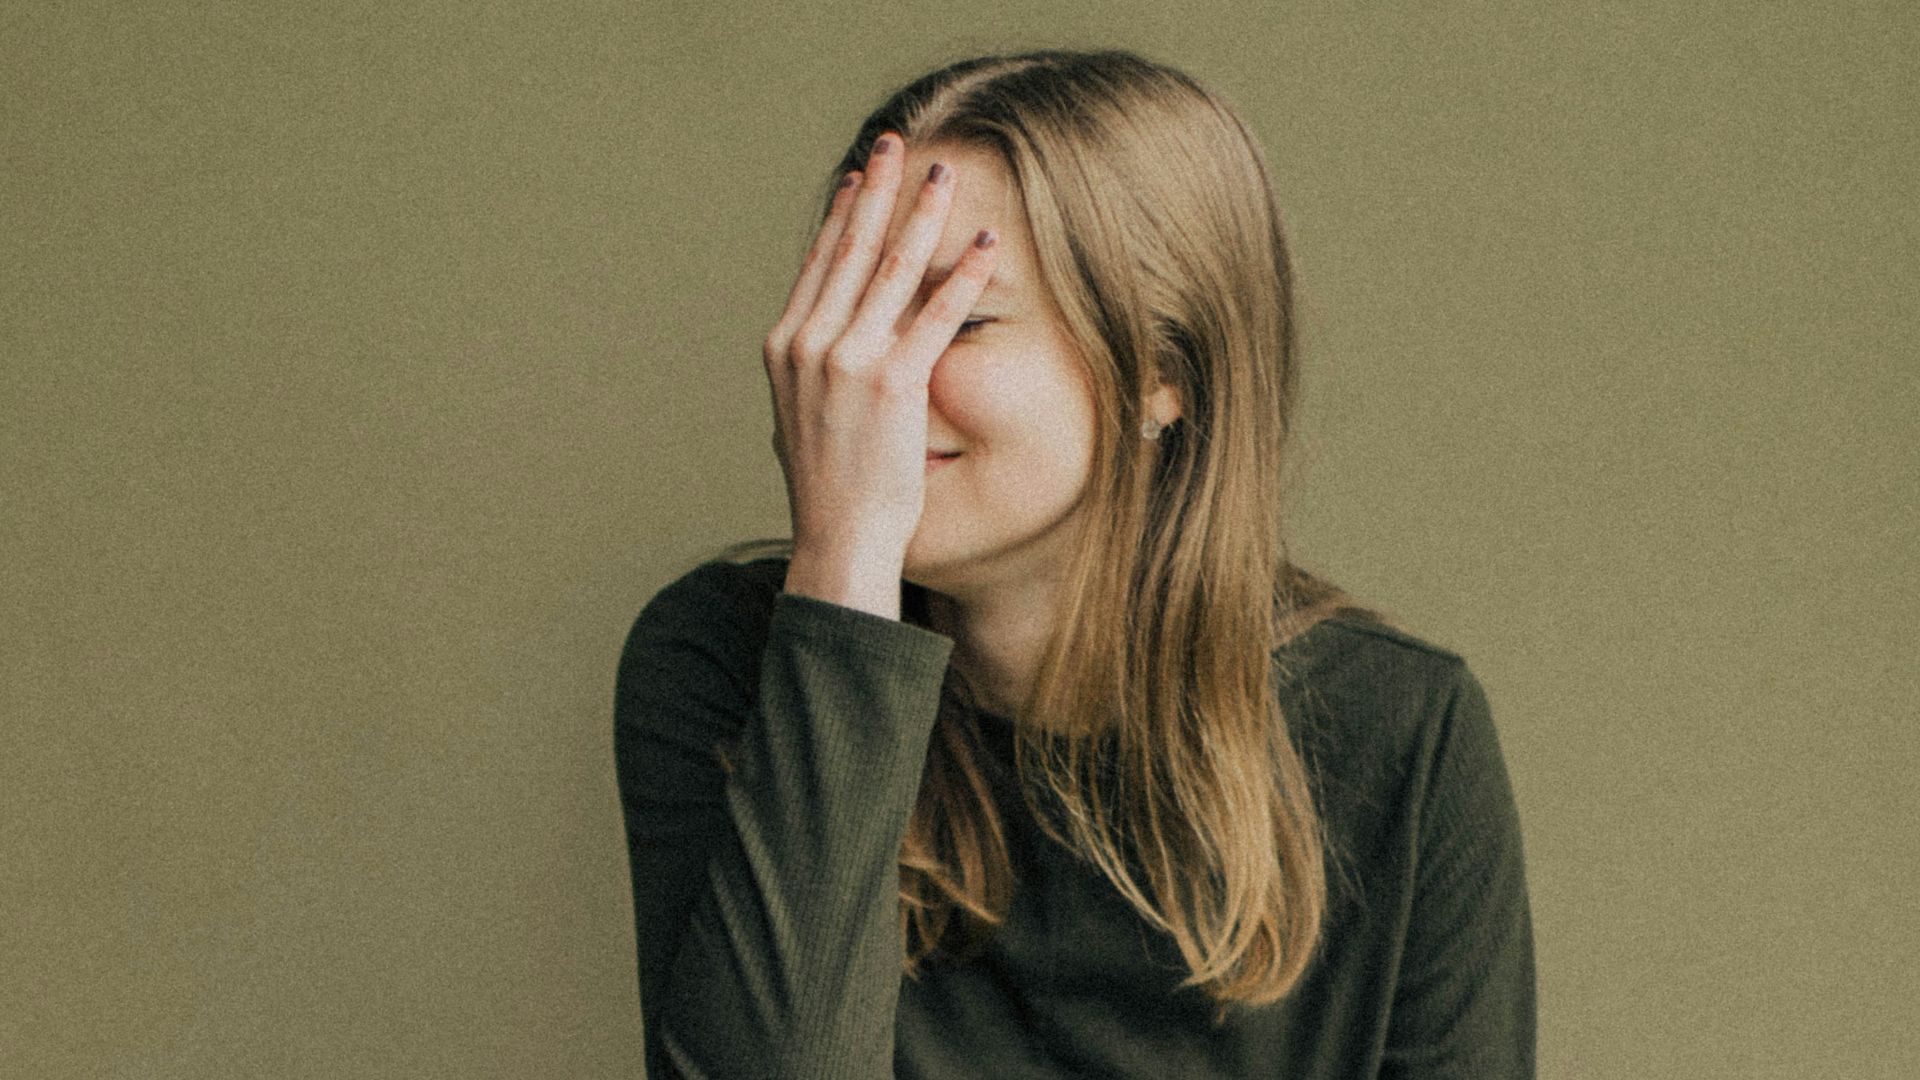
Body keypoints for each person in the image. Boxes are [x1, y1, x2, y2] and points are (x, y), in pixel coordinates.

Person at [615, 48, 1535, 1079]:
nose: (869, 376)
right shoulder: (724, 660)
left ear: (1162, 373)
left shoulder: (1401, 732)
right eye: (856, 308)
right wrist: (845, 561)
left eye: (956, 318)